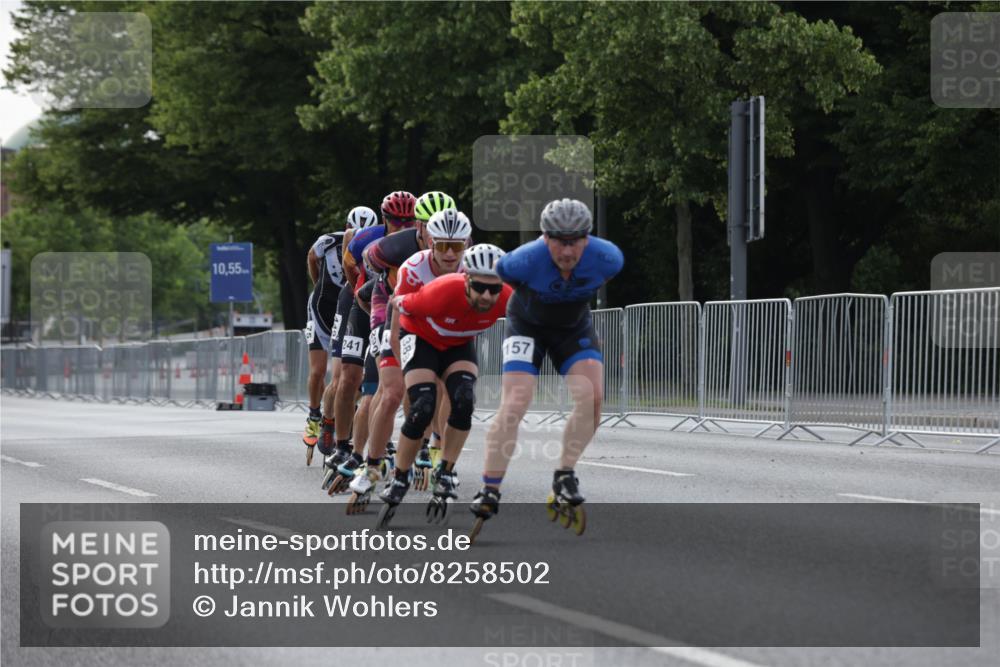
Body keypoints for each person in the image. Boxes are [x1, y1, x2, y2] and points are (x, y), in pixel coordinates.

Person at [469, 199, 623, 539]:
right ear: (544, 237)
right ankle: (490, 487)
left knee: (594, 396)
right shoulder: (518, 262)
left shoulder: (608, 257)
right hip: (526, 326)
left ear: (588, 238)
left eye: (576, 241)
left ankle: (564, 475)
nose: (567, 250)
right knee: (516, 402)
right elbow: (496, 290)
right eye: (559, 241)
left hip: (573, 328)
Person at [339, 208, 472, 511]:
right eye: (441, 245)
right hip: (397, 314)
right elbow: (380, 299)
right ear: (425, 235)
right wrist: (396, 359)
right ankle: (369, 465)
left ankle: (436, 455)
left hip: (439, 320)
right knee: (392, 391)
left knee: (450, 387)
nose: (450, 254)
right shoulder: (406, 259)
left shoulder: (470, 267)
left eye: (457, 246)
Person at [375, 245, 511, 529]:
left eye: (493, 289)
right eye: (480, 287)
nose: (487, 296)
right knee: (422, 407)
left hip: (459, 344)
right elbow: (398, 305)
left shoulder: (508, 297)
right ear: (466, 281)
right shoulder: (440, 292)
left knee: (463, 401)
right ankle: (400, 475)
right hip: (422, 337)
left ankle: (446, 471)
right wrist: (400, 357)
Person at [323, 191, 417, 485]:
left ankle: (381, 444)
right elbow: (349, 264)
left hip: (394, 310)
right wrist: (358, 290)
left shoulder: (419, 242)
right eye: (394, 220)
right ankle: (341, 444)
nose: (401, 226)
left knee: (380, 384)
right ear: (385, 219)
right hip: (362, 304)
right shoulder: (366, 238)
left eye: (407, 220)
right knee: (348, 377)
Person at [303, 206, 378, 466]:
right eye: (352, 231)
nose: (357, 235)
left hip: (359, 305)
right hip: (325, 307)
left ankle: (343, 419)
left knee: (357, 378)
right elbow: (311, 257)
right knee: (322, 372)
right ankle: (320, 417)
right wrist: (317, 286)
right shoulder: (328, 241)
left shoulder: (381, 243)